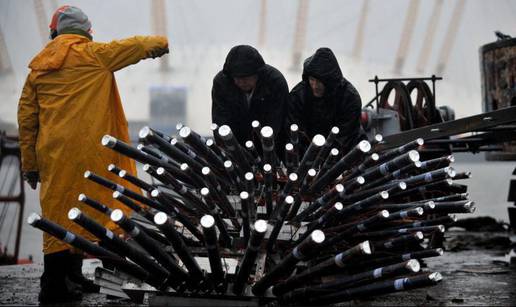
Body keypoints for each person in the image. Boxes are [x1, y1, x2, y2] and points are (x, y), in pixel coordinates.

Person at [17, 5, 168, 303]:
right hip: (92, 153)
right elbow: (137, 45)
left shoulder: (38, 69)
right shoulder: (95, 55)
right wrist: (162, 44)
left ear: (54, 32)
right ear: (86, 32)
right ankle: (93, 283)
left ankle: (62, 282)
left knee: (58, 217)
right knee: (102, 214)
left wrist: (31, 166)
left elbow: (27, 120)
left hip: (54, 154)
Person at [288, 47, 366, 156]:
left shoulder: (350, 98)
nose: (314, 86)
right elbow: (292, 129)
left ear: (330, 81)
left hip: (342, 152)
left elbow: (345, 137)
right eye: (312, 80)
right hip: (306, 151)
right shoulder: (298, 95)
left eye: (319, 82)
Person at [211, 45, 289, 155]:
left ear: (258, 74)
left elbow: (277, 122)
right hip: (236, 149)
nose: (241, 82)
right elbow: (220, 120)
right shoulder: (221, 83)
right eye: (237, 78)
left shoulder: (275, 82)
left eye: (246, 78)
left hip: (271, 148)